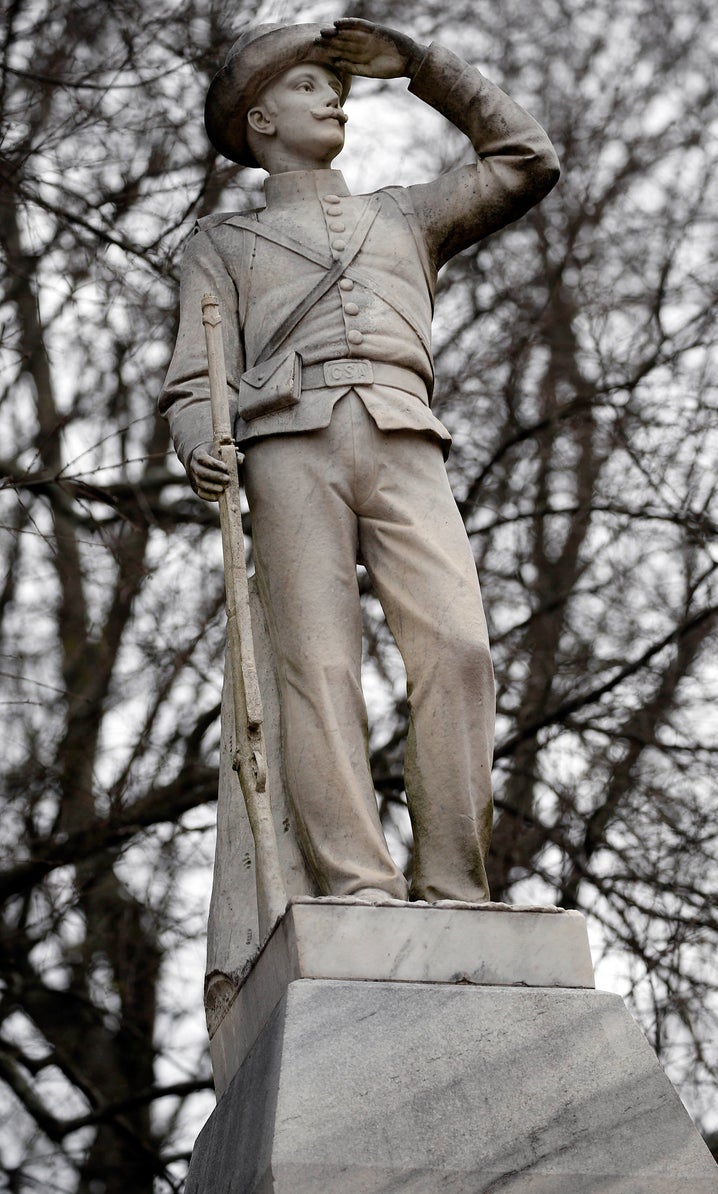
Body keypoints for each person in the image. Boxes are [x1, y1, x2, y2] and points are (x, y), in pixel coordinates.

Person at [160, 18, 559, 905]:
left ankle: (457, 884)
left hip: (404, 435)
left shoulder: (405, 216)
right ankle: (358, 886)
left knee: (459, 650)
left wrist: (423, 67)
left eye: (330, 85)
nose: (331, 96)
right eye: (304, 86)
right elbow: (194, 384)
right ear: (258, 121)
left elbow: (528, 159)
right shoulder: (222, 248)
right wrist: (201, 445)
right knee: (320, 667)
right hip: (285, 448)